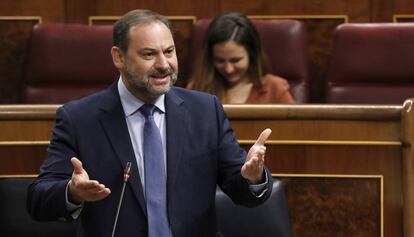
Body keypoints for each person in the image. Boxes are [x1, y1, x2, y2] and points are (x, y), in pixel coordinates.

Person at [27, 9, 274, 237]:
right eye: (149, 54)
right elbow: (38, 199)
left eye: (168, 52)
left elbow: (242, 190)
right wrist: (71, 192)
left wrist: (252, 177)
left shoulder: (205, 110)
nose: (164, 65)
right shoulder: (79, 119)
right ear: (118, 57)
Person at [188, 12, 295, 104]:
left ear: (252, 54)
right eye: (220, 60)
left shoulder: (275, 88)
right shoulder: (197, 88)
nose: (228, 69)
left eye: (235, 60)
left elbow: (293, 127)